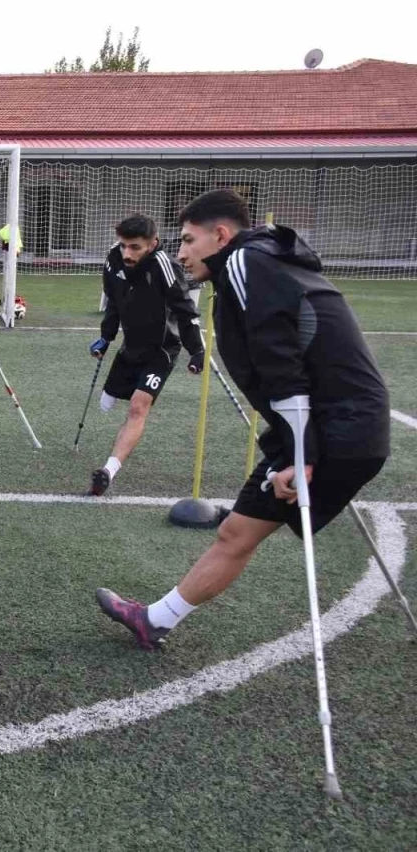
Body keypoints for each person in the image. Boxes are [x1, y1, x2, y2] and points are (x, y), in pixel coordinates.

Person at [96, 190, 390, 649]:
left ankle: (153, 621)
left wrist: (302, 456)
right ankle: (153, 621)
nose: (181, 253)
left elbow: (281, 365)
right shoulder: (260, 261)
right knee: (236, 531)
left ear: (220, 235)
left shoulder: (244, 263)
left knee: (239, 532)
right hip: (336, 425)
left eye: (188, 240)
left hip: (333, 429)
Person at [87, 214, 205, 496]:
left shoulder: (164, 266)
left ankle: (108, 470)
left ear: (152, 244)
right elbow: (113, 301)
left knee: (138, 407)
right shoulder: (114, 258)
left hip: (162, 348)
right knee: (107, 401)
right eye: (123, 245)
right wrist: (106, 336)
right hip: (131, 345)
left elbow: (186, 311)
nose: (127, 253)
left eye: (135, 247)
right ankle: (112, 389)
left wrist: (197, 350)